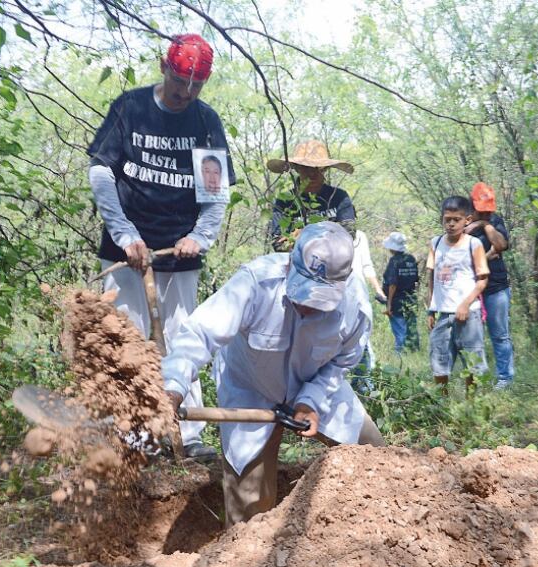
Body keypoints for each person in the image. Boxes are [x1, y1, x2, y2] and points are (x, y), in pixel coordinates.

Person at [162, 222, 385, 525]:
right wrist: (173, 387)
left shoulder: (354, 307)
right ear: (290, 262)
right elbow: (199, 333)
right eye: (302, 294)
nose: (306, 308)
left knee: (376, 458)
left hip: (316, 384)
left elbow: (341, 362)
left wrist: (311, 401)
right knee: (249, 507)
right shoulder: (256, 283)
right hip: (249, 387)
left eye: (318, 302)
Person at [87, 34, 236, 460]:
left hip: (180, 251)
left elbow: (215, 191)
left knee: (182, 337)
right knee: (125, 339)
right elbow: (101, 173)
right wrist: (125, 234)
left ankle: (185, 438)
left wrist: (200, 237)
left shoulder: (206, 122)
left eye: (196, 86)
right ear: (163, 67)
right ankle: (132, 439)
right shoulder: (130, 107)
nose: (186, 93)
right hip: (125, 252)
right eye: (179, 83)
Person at [426, 196, 489, 391]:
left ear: (467, 220)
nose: (451, 224)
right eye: (447, 219)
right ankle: (441, 403)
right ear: (442, 220)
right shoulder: (435, 243)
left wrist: (465, 304)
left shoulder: (473, 244)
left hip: (468, 313)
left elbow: (482, 279)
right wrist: (430, 309)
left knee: (472, 361)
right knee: (439, 358)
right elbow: (431, 277)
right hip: (443, 312)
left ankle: (473, 405)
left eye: (456, 219)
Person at [266, 140, 355, 251]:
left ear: (325, 169)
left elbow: (349, 234)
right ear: (297, 169)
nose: (312, 174)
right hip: (294, 262)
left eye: (318, 168)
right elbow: (278, 243)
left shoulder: (339, 197)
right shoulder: (285, 201)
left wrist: (306, 233)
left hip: (333, 259)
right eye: (306, 168)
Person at [468, 183, 514, 389]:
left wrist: (483, 225)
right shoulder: (462, 221)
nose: (485, 213)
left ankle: (505, 378)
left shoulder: (494, 221)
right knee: (471, 337)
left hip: (496, 287)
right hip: (470, 288)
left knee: (500, 335)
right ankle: (477, 379)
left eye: (488, 210)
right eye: (481, 210)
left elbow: (501, 245)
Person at [348, 229, 386, 394]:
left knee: (362, 341)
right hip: (335, 296)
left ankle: (366, 389)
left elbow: (367, 266)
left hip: (358, 296)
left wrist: (378, 289)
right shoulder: (328, 233)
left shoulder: (360, 236)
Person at [381, 232, 420, 353]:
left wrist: (389, 304)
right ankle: (414, 351)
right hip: (411, 299)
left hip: (397, 301)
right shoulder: (411, 259)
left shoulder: (394, 261)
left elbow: (393, 284)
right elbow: (416, 280)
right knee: (411, 328)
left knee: (400, 330)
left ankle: (400, 354)